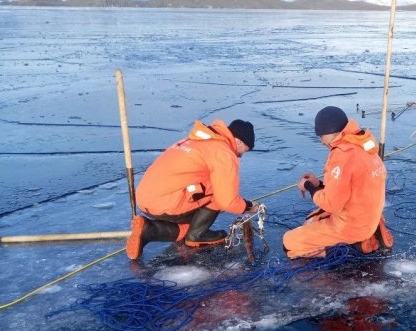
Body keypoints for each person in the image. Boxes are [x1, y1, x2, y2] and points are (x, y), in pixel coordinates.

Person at [126, 119, 260, 260]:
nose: (240, 156)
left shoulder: (197, 140)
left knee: (188, 224)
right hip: (167, 202)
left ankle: (149, 230)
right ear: (238, 141)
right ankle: (197, 235)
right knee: (218, 192)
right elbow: (227, 200)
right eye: (243, 151)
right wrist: (247, 206)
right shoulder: (223, 152)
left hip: (145, 198)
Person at [282, 106, 393, 259]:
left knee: (288, 244)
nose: (321, 142)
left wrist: (308, 186)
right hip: (368, 218)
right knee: (312, 219)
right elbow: (349, 186)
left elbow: (331, 203)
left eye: (321, 136)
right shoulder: (364, 144)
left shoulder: (341, 155)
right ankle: (366, 235)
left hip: (352, 226)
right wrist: (318, 185)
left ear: (330, 132)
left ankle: (352, 247)